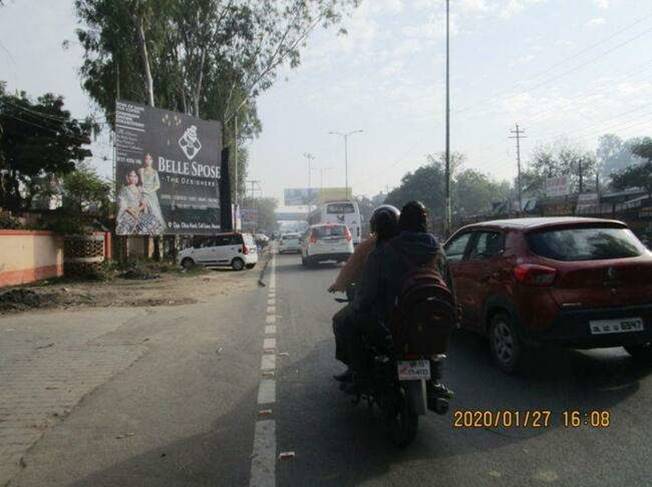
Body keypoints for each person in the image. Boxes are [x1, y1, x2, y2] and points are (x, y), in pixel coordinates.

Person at [352, 201, 453, 402]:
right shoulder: (438, 250)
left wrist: (359, 307)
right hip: (430, 319)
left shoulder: (383, 252)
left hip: (392, 320)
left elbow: (368, 292)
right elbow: (448, 285)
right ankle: (434, 382)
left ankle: (363, 379)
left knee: (358, 327)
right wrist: (454, 313)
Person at [330, 205, 400, 383]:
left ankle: (357, 368)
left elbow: (352, 274)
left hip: (379, 307)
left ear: (374, 226)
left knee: (343, 321)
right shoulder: (415, 244)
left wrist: (338, 286)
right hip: (411, 305)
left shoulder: (371, 249)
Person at [138, 153, 166, 232]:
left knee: (154, 212)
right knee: (144, 211)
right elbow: (141, 182)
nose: (148, 161)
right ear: (144, 160)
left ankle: (154, 229)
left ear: (152, 160)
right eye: (146, 159)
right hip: (143, 193)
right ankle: (145, 228)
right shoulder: (141, 170)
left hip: (152, 194)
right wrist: (141, 174)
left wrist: (149, 191)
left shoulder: (154, 172)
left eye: (150, 159)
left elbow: (158, 185)